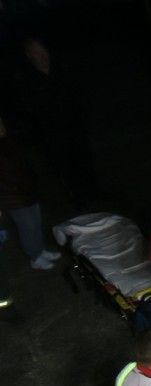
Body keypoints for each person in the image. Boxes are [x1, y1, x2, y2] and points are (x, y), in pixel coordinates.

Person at [10, 38, 96, 208]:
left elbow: (76, 93)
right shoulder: (27, 79)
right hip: (53, 132)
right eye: (37, 52)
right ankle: (77, 198)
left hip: (74, 125)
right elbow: (28, 109)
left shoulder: (61, 70)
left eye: (43, 51)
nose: (42, 56)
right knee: (65, 165)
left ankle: (93, 190)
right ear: (29, 56)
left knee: (84, 158)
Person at [0, 116, 61, 294]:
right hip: (12, 196)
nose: (1, 127)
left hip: (26, 191)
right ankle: (35, 257)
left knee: (36, 222)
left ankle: (40, 250)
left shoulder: (8, 142)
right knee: (27, 226)